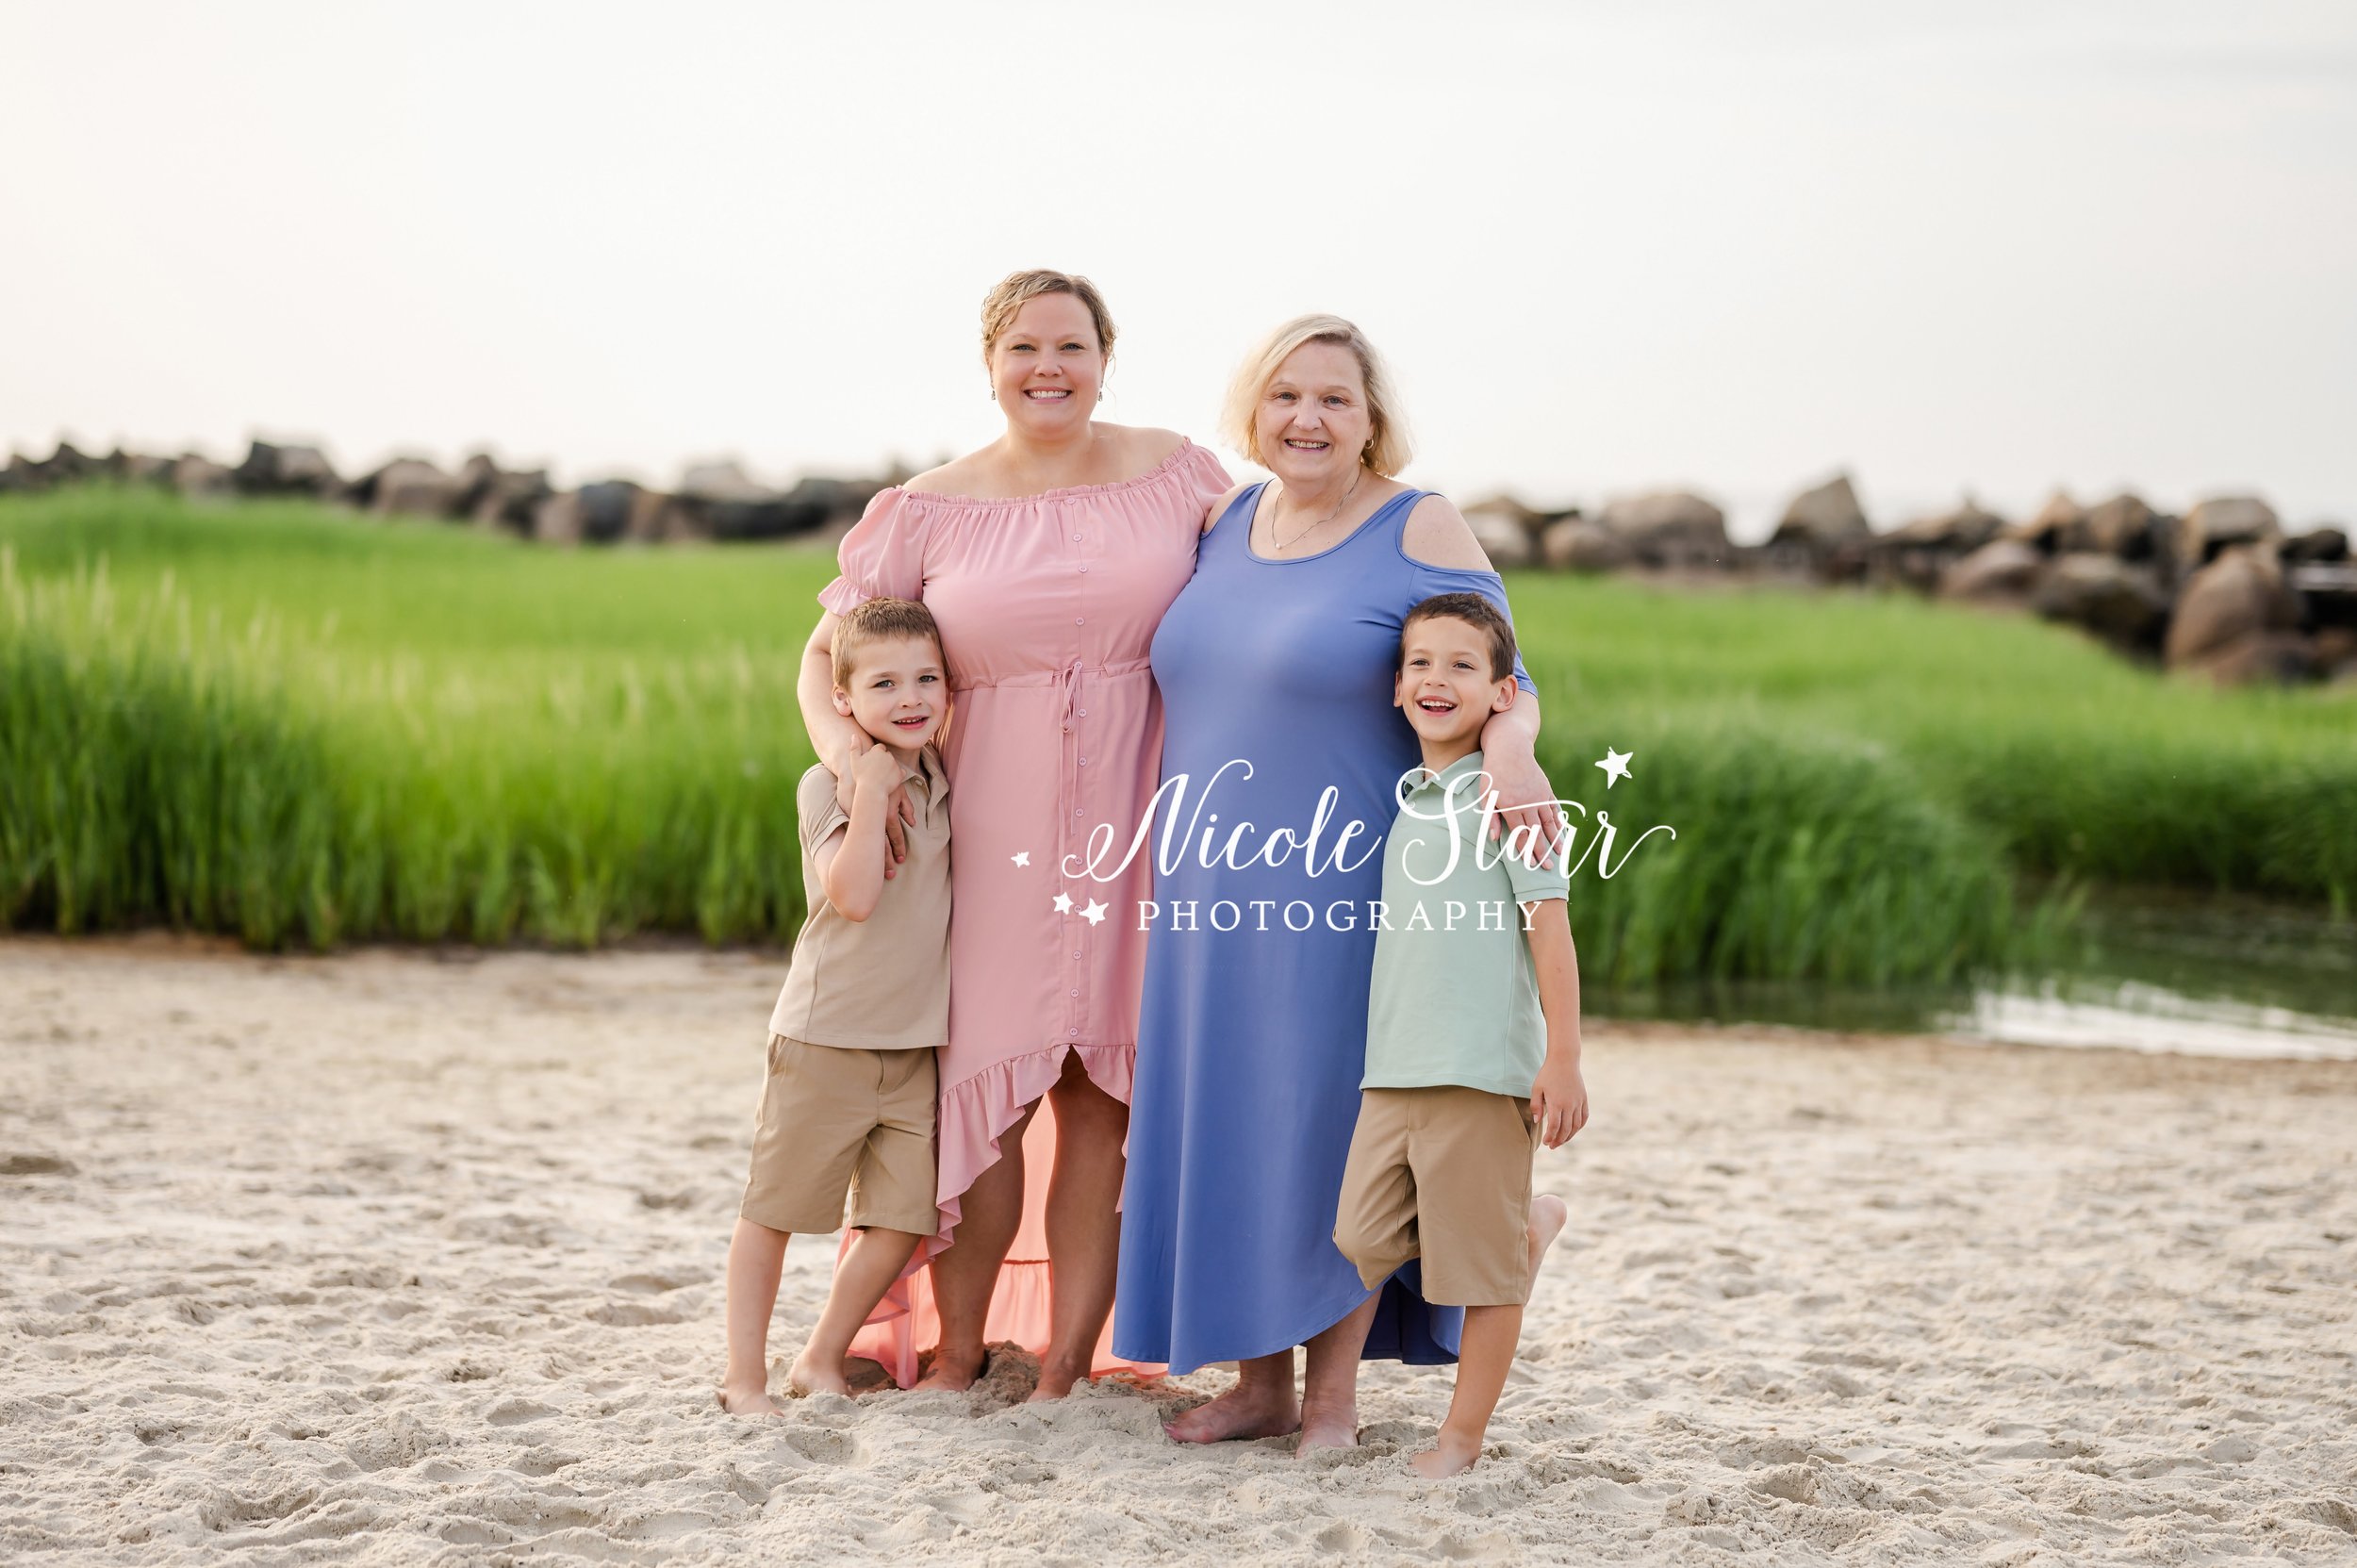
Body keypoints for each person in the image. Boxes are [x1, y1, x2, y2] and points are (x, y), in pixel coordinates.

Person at [1116, 315, 1560, 1450]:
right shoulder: (1222, 520)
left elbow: (1502, 675)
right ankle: (1258, 1384)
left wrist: (1510, 757)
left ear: (1372, 422)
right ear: (1253, 413)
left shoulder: (1420, 523)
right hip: (1209, 886)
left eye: (1335, 400)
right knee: (1237, 1120)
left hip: (1351, 880)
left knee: (1326, 1128)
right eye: (1285, 396)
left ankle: (1334, 1397)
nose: (1307, 418)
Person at [798, 270, 1232, 1396]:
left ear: (1105, 357)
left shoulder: (1179, 475)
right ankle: (952, 1353)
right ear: (989, 361)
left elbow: (1267, 584)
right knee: (982, 1099)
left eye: (1072, 346)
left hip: (1142, 822)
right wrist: (854, 758)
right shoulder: (928, 508)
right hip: (988, 834)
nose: (1049, 367)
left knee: (1102, 1108)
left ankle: (1067, 1369)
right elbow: (825, 652)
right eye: (1025, 347)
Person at [1333, 591, 1585, 1477]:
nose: (1438, 678)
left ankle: (1461, 1439)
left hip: (1482, 1073)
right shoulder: (1411, 798)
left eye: (1462, 665)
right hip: (1392, 1070)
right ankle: (1526, 1229)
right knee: (1361, 1239)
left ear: (1502, 692)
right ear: (1397, 689)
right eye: (1421, 664)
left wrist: (1563, 1057)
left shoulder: (1508, 796)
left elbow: (1550, 932)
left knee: (1481, 1279)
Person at [718, 598, 953, 1412]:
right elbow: (852, 894)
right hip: (825, 1037)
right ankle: (744, 1375)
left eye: (928, 677)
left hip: (916, 1046)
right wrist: (873, 786)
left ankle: (821, 1354)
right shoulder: (827, 783)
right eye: (885, 683)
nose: (912, 696)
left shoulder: (945, 779)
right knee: (775, 1210)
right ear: (844, 701)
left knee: (901, 1218)